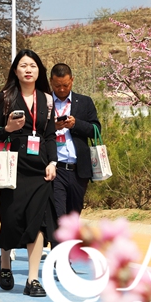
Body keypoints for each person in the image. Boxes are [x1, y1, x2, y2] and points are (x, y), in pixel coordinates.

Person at [0, 49, 57, 298]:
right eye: (23, 65)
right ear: (15, 71)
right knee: (10, 218)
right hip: (11, 167)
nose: (28, 70)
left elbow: (50, 135)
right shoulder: (5, 97)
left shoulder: (47, 100)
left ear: (39, 71)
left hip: (39, 169)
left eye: (33, 66)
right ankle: (5, 262)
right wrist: (7, 128)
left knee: (38, 222)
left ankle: (32, 279)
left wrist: (53, 163)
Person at [49, 63, 102, 221]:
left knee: (73, 221)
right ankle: (59, 246)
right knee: (58, 220)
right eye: (58, 85)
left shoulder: (84, 102)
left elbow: (96, 130)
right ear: (51, 81)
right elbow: (35, 131)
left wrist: (76, 124)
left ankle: (69, 246)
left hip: (78, 171)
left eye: (66, 85)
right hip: (55, 170)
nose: (62, 89)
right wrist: (52, 126)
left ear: (72, 80)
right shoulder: (44, 102)